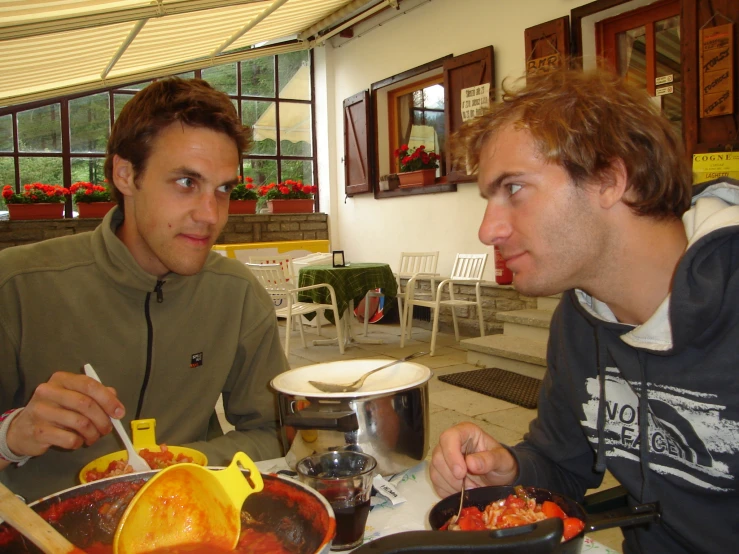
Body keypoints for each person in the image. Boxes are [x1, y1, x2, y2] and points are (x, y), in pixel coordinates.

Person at [430, 66, 739, 553]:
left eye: (513, 189)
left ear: (610, 179)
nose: (488, 230)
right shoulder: (580, 318)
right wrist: (511, 467)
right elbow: (561, 467)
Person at [0, 78, 290, 501]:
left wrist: (183, 465)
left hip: (189, 526)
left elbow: (274, 433)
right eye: (187, 182)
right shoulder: (18, 285)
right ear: (126, 175)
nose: (211, 216)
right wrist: (12, 435)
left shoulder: (238, 295)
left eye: (223, 189)